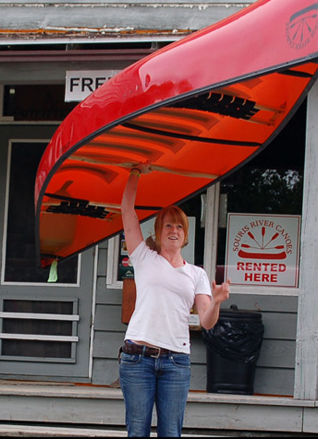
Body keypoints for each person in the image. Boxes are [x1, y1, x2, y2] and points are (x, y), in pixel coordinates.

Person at [118, 162, 230, 437]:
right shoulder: (144, 256)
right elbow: (127, 212)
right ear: (159, 231)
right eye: (168, 225)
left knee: (171, 433)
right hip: (137, 359)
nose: (174, 230)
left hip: (176, 363)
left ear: (185, 234)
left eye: (180, 226)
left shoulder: (196, 273)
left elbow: (206, 322)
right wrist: (134, 173)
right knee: (137, 432)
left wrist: (215, 302)